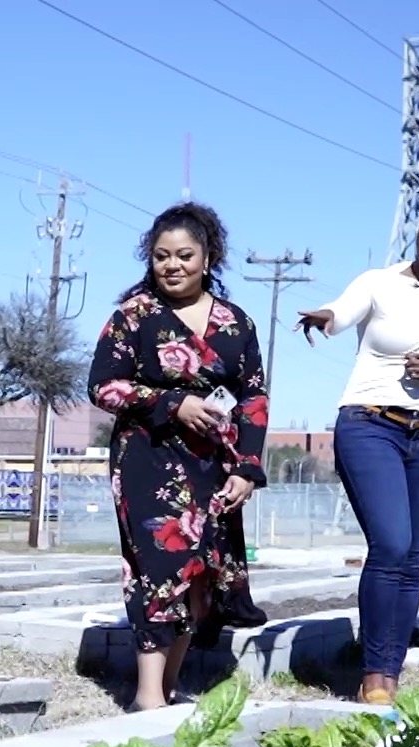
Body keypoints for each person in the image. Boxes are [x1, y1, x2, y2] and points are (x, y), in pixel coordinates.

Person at [294, 196, 419, 706]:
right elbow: (342, 311)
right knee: (392, 545)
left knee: (414, 559)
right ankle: (373, 675)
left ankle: (390, 675)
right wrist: (325, 317)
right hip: (370, 424)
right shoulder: (378, 283)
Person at [87, 202, 271, 712]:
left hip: (214, 464)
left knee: (200, 574)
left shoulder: (236, 323)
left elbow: (253, 398)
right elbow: (102, 386)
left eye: (184, 255)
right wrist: (173, 403)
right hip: (148, 458)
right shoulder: (134, 317)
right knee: (160, 566)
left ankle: (169, 685)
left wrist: (247, 468)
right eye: (161, 256)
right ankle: (147, 696)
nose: (172, 265)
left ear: (207, 258)